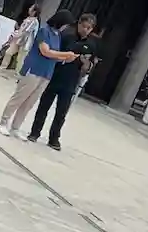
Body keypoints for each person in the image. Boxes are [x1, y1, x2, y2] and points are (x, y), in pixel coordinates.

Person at [0, 10, 80, 137]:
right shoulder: (44, 31)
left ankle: (16, 127)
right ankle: (3, 122)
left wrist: (65, 59)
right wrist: (65, 54)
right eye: (66, 24)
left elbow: (54, 55)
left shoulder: (57, 36)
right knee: (19, 98)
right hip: (34, 69)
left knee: (29, 103)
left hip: (46, 73)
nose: (66, 27)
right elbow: (45, 51)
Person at [26, 13, 97, 151]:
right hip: (55, 75)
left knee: (62, 112)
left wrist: (86, 64)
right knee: (44, 106)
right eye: (84, 26)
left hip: (71, 80)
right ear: (79, 24)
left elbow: (90, 66)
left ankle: (54, 138)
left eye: (89, 28)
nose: (85, 30)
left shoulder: (91, 45)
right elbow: (53, 53)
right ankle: (35, 132)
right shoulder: (65, 36)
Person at [0, 4, 40, 73]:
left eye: (31, 8)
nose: (29, 9)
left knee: (20, 60)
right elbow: (22, 30)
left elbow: (26, 32)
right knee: (8, 52)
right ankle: (2, 69)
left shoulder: (34, 21)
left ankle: (17, 75)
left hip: (25, 43)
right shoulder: (28, 18)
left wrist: (16, 36)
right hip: (18, 40)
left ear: (34, 11)